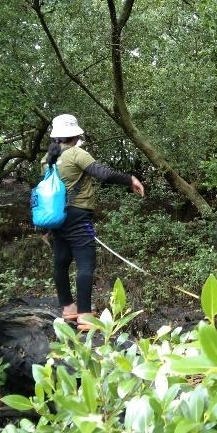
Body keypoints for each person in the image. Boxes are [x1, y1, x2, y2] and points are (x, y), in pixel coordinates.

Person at [42, 114, 144, 330]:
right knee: (86, 264)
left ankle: (68, 309)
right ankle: (86, 316)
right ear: (76, 134)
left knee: (61, 261)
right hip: (78, 216)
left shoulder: (48, 159)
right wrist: (130, 179)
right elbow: (103, 174)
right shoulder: (77, 153)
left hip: (57, 218)